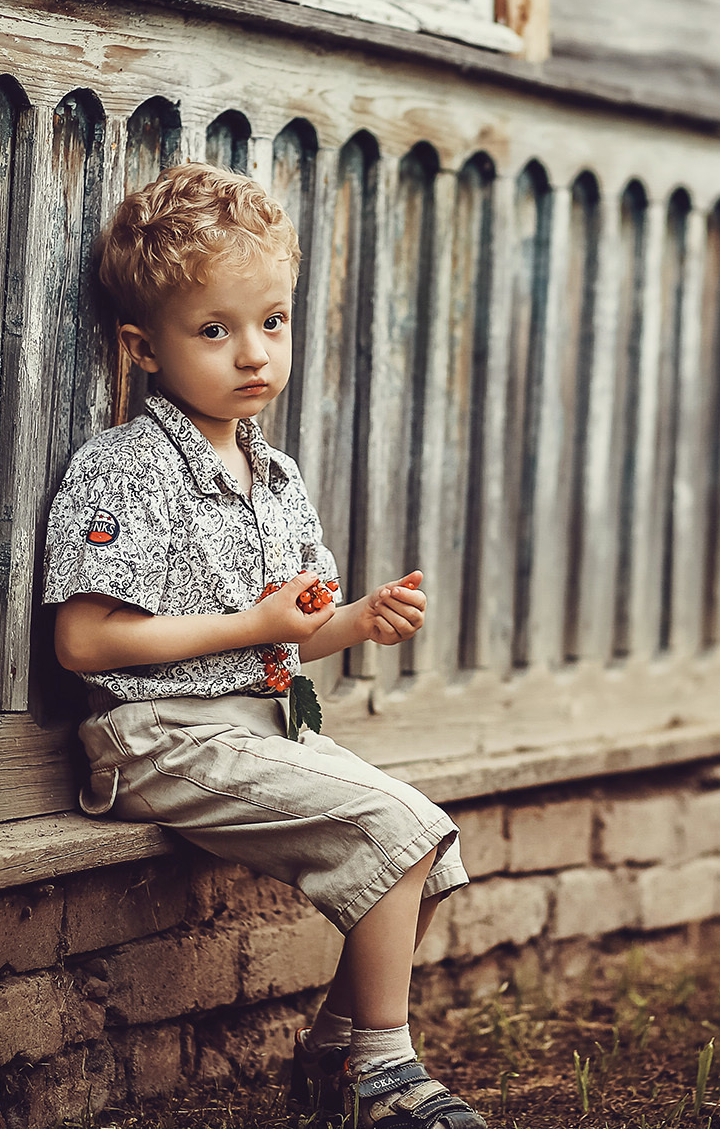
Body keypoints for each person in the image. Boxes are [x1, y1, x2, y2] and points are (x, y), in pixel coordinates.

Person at [43, 162, 484, 1128]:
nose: (253, 354)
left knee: (428, 843)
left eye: (272, 322)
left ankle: (337, 1053)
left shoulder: (274, 474)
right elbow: (83, 639)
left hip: (257, 726)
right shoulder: (127, 466)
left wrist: (355, 619)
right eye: (215, 330)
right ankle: (381, 1075)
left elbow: (292, 631)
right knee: (394, 829)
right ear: (142, 347)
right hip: (159, 736)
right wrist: (260, 625)